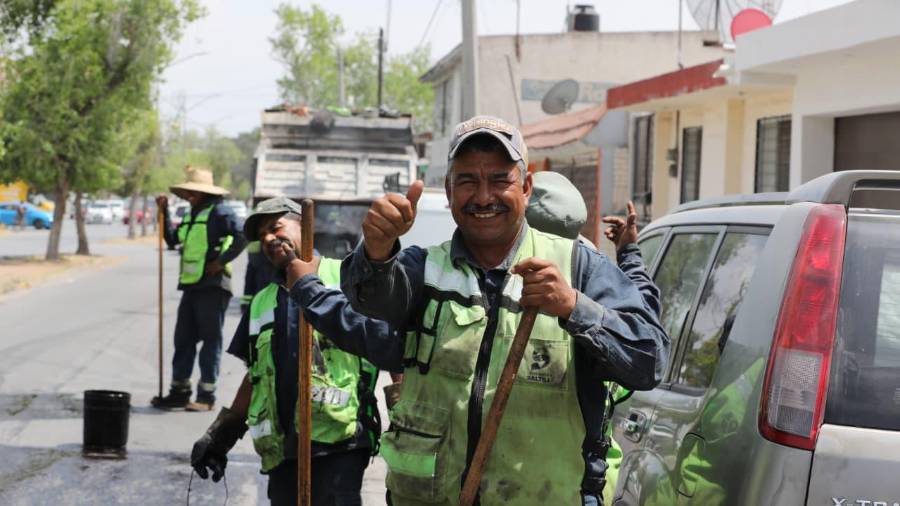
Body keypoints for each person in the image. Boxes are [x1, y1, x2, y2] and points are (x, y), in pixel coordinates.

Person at [340, 115, 670, 505]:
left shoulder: (580, 268)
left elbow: (649, 360)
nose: (483, 197)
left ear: (526, 187)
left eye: (499, 180)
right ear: (448, 192)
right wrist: (377, 251)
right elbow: (370, 298)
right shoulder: (422, 269)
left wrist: (573, 306)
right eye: (467, 181)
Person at [190, 197, 401, 505]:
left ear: (305, 226)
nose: (269, 238)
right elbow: (258, 373)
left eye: (276, 227)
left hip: (341, 443)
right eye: (262, 236)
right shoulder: (262, 300)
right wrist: (220, 436)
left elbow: (390, 348)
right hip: (283, 450)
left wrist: (406, 422)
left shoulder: (346, 278)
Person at [526, 171, 661, 504]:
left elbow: (647, 346)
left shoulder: (586, 278)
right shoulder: (595, 277)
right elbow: (643, 311)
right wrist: (630, 254)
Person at [152, 167, 247, 411]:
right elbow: (173, 240)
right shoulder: (192, 214)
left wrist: (220, 262)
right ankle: (179, 392)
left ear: (205, 193)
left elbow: (242, 236)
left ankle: (206, 396)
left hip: (214, 287)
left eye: (194, 192)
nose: (189, 196)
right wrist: (162, 211)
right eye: (188, 193)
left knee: (210, 340)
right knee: (183, 339)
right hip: (192, 286)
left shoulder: (220, 212)